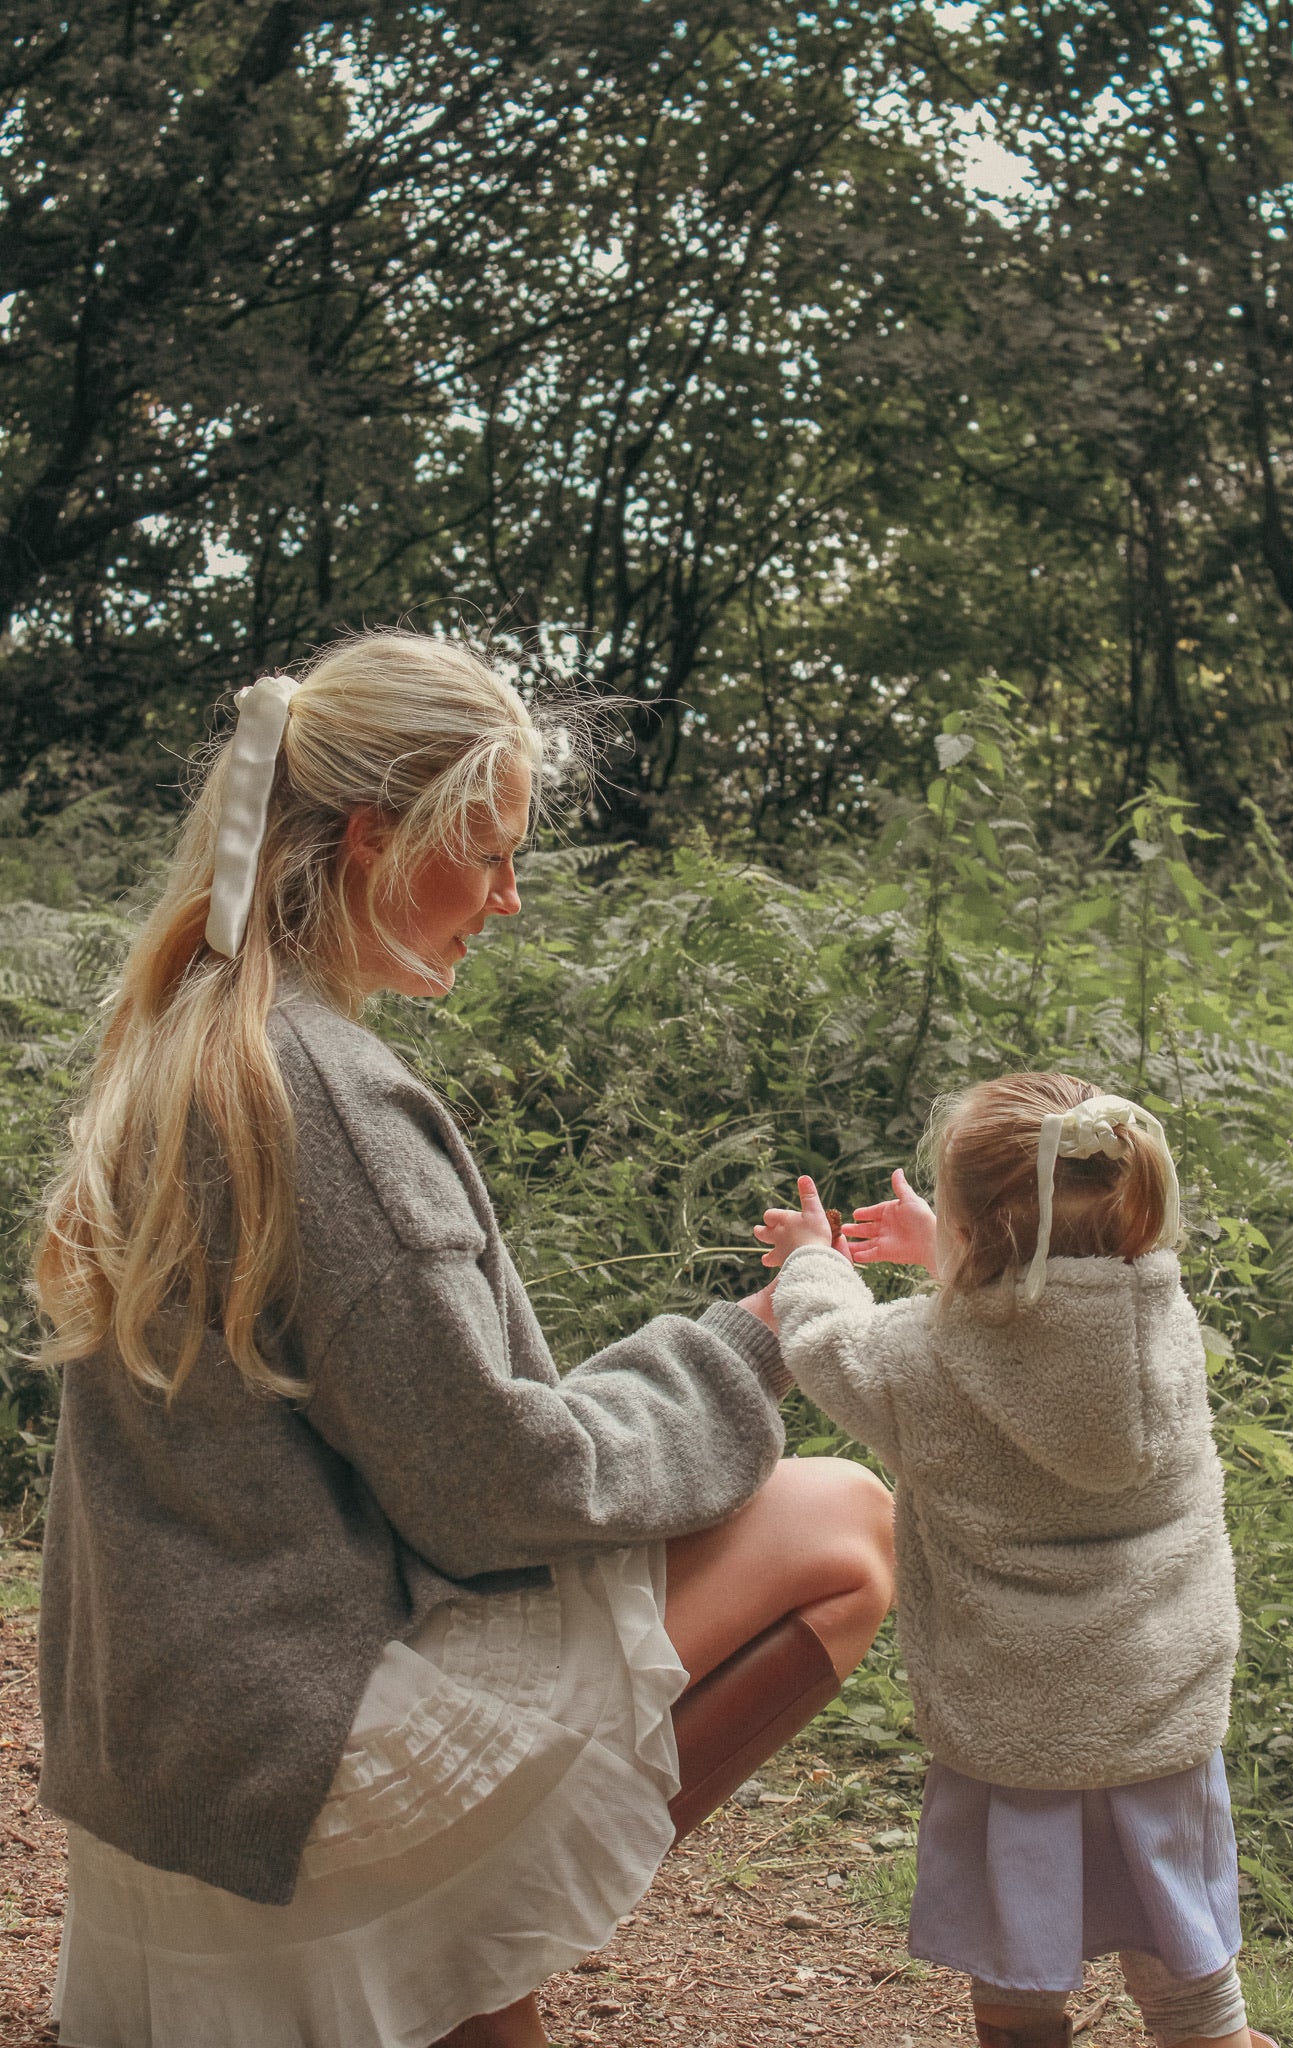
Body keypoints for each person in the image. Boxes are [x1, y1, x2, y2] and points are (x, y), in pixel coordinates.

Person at [33, 630, 895, 2048]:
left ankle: (470, 1986)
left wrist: (718, 1339)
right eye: (487, 854)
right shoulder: (330, 1097)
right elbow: (494, 1490)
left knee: (789, 1524)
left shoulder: (195, 1036)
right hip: (288, 1764)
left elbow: (436, 1429)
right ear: (377, 838)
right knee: (845, 1524)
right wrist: (758, 1340)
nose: (505, 898)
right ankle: (469, 1957)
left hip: (173, 1738)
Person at [752, 1073, 1275, 2048]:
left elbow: (828, 1346)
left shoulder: (922, 1355)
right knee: (1184, 1938)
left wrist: (812, 1260)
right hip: (1158, 1701)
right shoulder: (1165, 1328)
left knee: (1016, 1949)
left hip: (1011, 1717)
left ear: (976, 1231)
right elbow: (1045, 1320)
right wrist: (953, 1246)